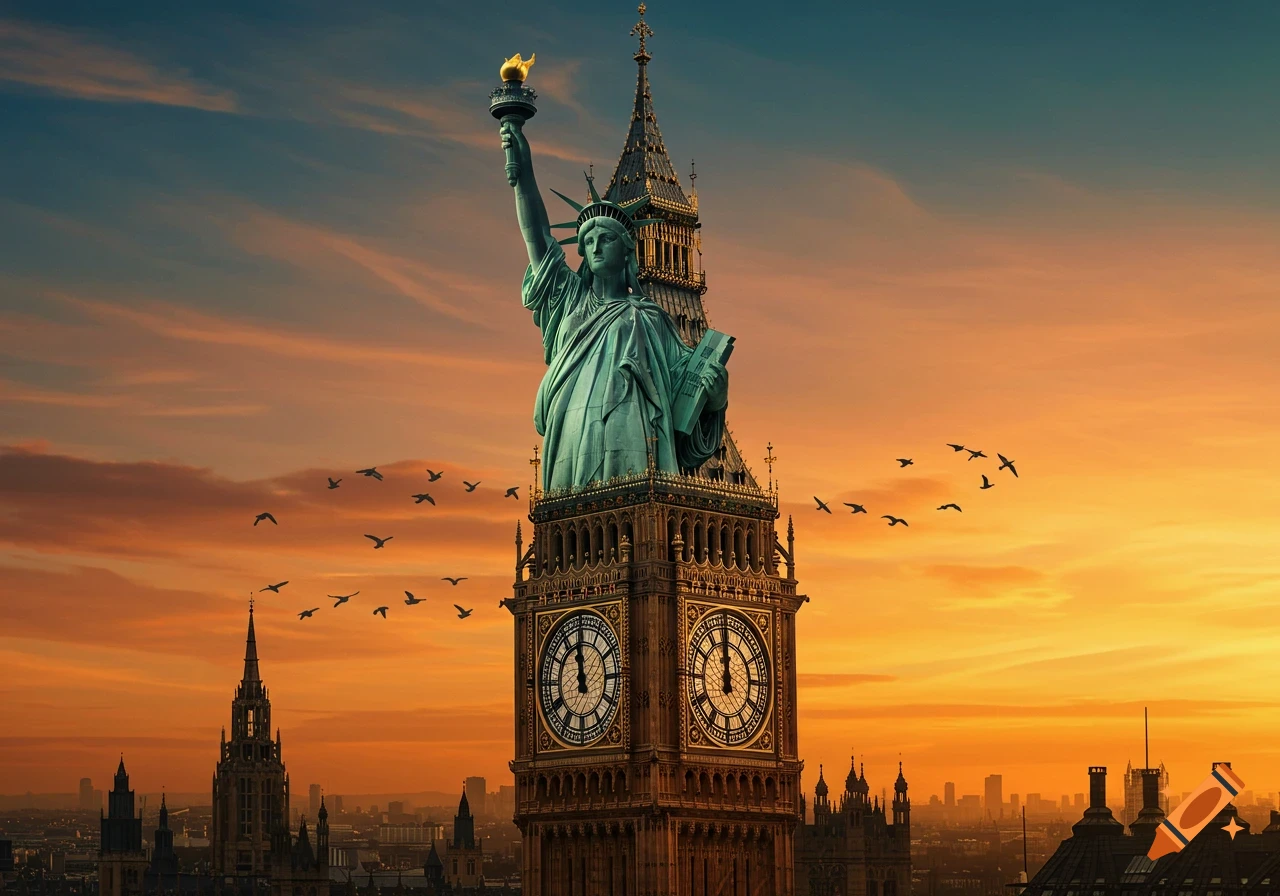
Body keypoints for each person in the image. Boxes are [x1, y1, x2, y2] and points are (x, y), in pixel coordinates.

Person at [500, 120, 728, 492]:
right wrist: (521, 173)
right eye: (588, 241)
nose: (595, 247)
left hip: (634, 442)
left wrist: (717, 395)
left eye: (606, 239)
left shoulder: (651, 319)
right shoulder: (568, 299)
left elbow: (687, 398)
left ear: (627, 252)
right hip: (572, 439)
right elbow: (537, 237)